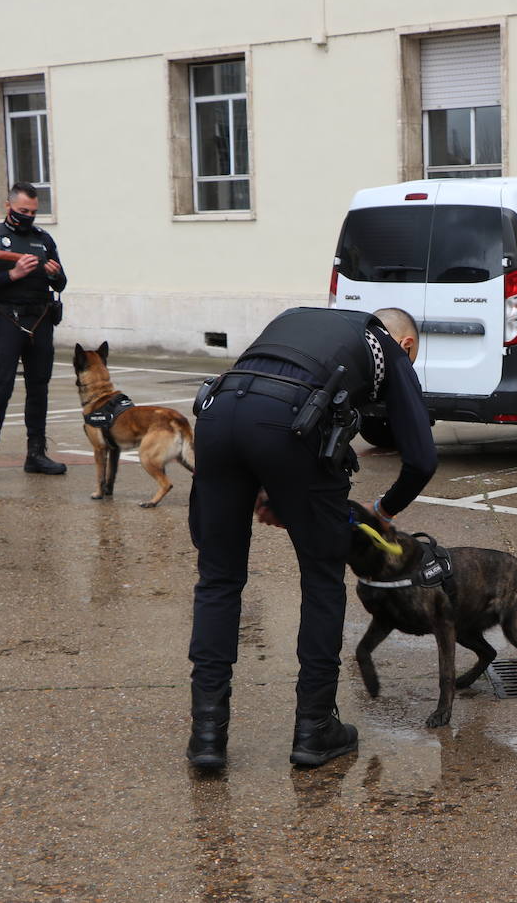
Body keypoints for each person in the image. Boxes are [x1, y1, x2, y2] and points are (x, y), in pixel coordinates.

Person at [186, 306, 437, 770]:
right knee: (322, 581)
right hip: (291, 423)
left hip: (218, 415)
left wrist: (269, 484)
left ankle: (206, 736)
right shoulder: (386, 347)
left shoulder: (300, 320)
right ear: (406, 346)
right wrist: (382, 512)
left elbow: (256, 400)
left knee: (218, 580)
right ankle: (315, 728)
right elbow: (421, 460)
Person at [0, 182, 68, 484]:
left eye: (34, 212)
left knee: (39, 388)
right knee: (0, 389)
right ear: (8, 206)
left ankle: (36, 454)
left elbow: (61, 284)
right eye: (23, 211)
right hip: (5, 322)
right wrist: (12, 274)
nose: (29, 216)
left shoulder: (43, 239)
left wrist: (55, 274)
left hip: (40, 322)